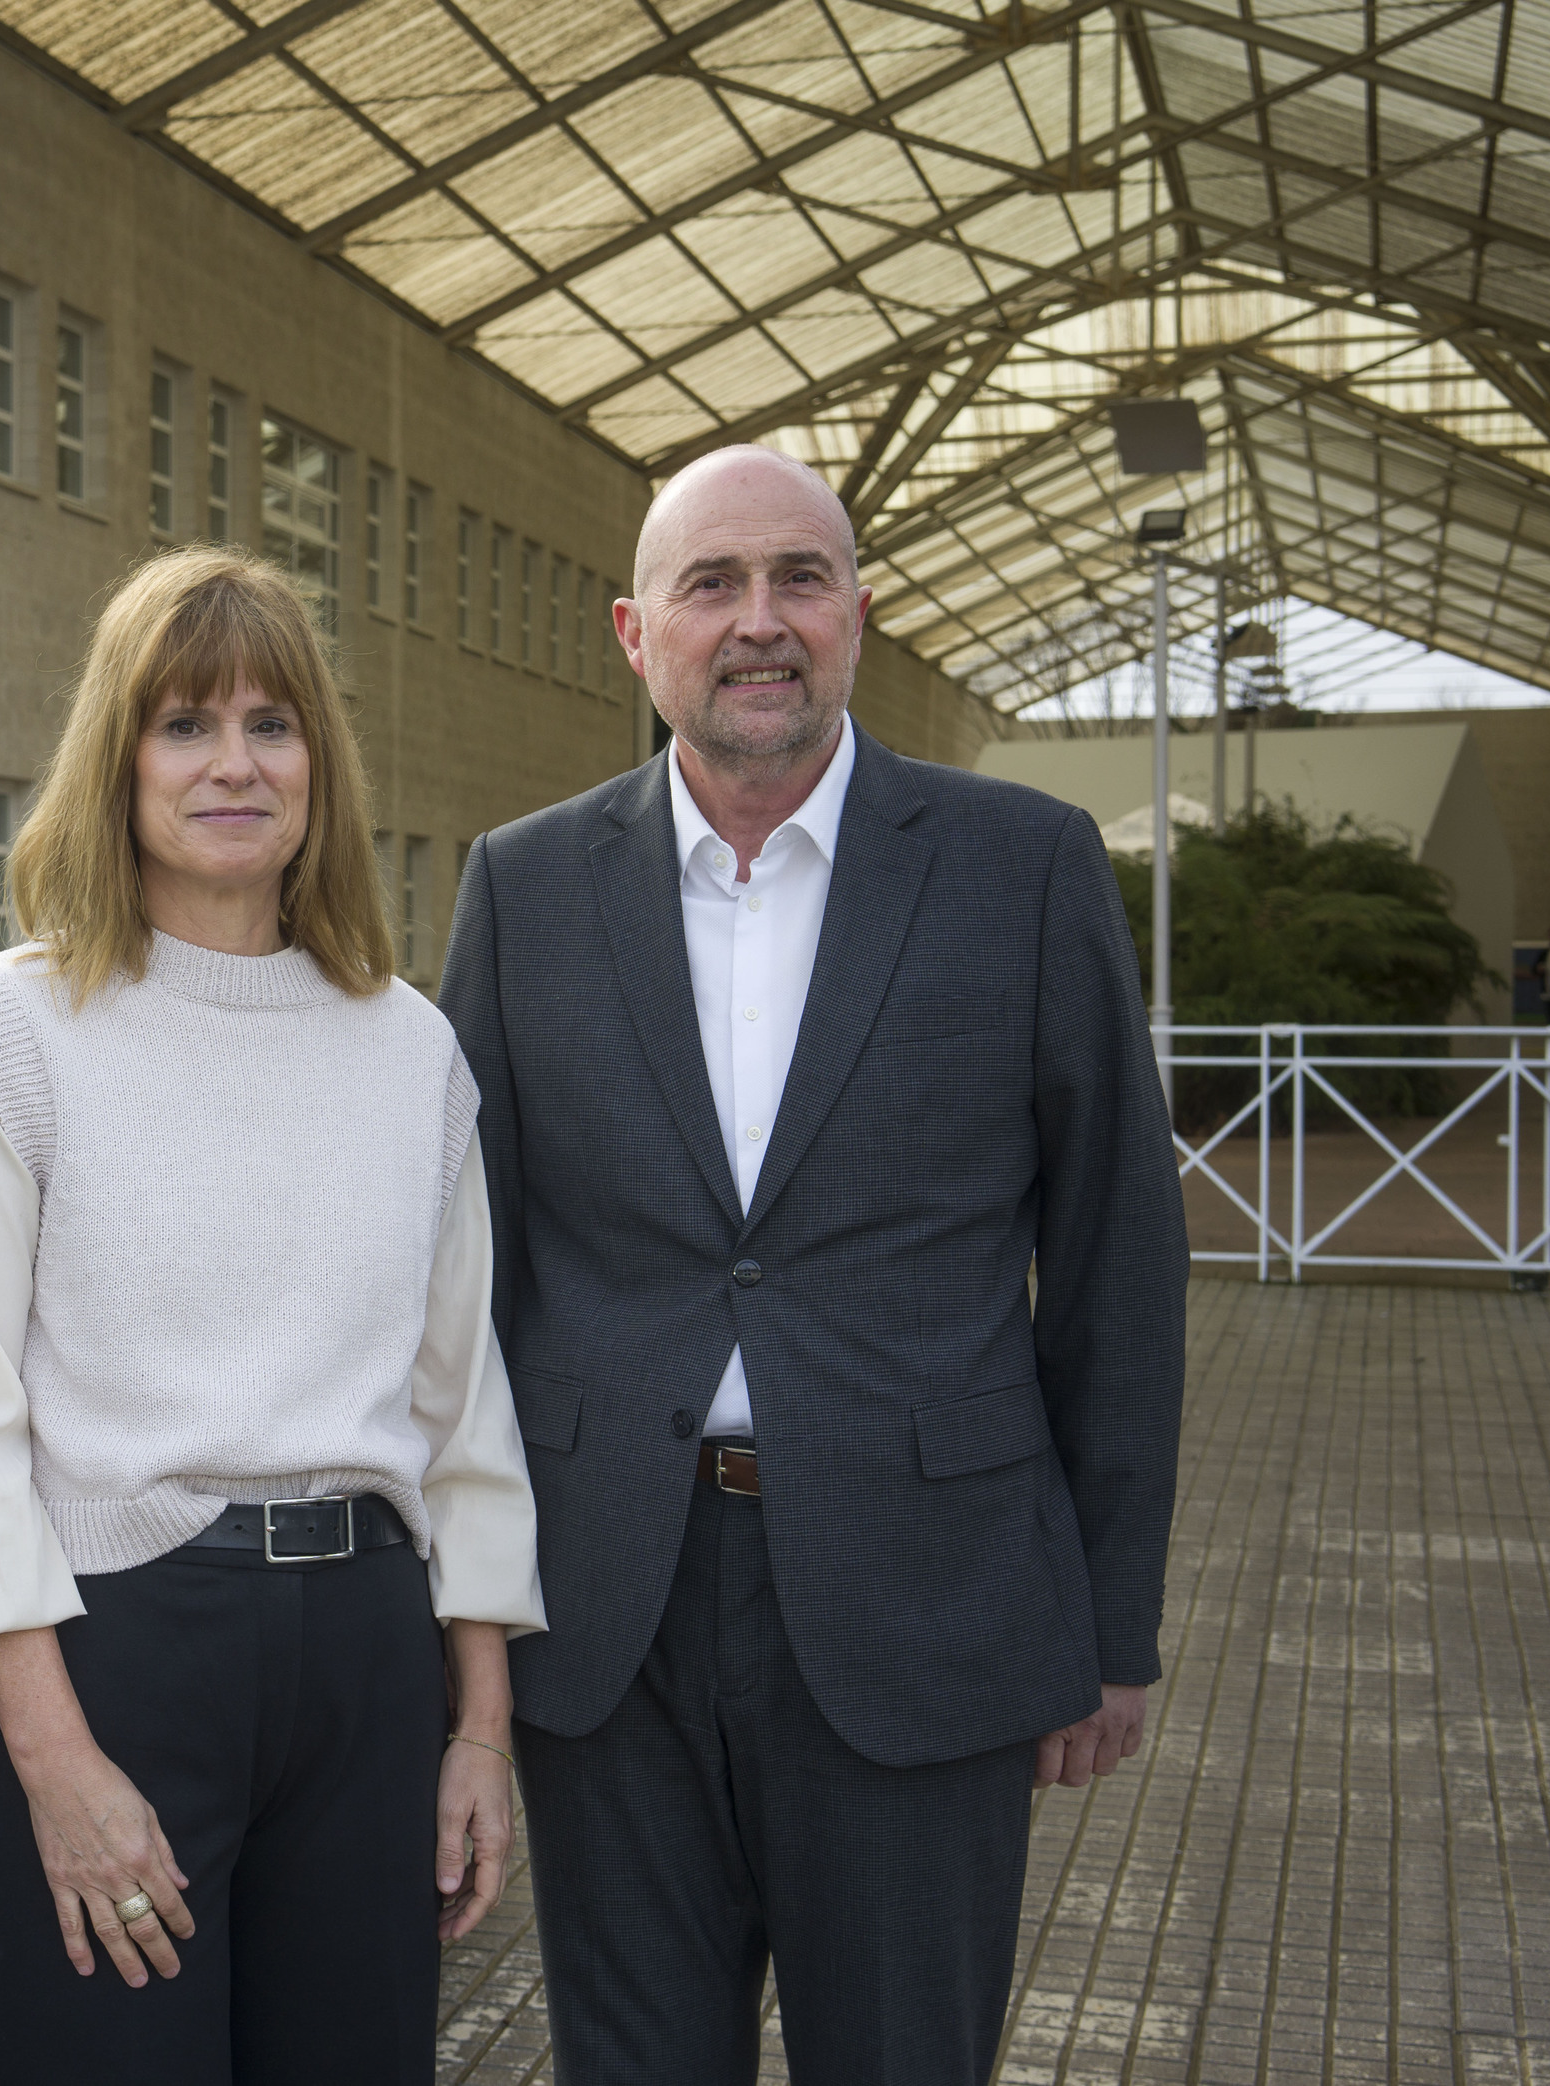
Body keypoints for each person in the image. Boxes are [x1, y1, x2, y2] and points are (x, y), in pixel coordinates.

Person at [437, 445, 1187, 2085]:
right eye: (714, 584)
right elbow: (464, 1281)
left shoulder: (1024, 866)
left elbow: (1122, 1256)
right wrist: (455, 1633)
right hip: (608, 1612)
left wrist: (1110, 1622)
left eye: (800, 578)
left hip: (926, 1598)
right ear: (637, 634)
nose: (758, 619)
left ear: (858, 614)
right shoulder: (524, 885)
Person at [0, 545, 546, 2085]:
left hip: (372, 1665)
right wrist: (52, 1761)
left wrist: (479, 1730)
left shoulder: (412, 1050)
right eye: (184, 725)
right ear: (117, 759)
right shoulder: (11, 1029)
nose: (233, 763)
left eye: (272, 722)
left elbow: (464, 1409)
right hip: (113, 1655)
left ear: (323, 762)